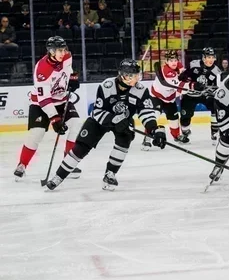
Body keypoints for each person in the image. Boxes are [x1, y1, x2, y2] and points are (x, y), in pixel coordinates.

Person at [46, 59, 167, 191]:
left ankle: (110, 174)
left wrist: (154, 129)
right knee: (80, 148)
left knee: (125, 139)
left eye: (137, 75)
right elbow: (97, 111)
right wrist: (114, 120)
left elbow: (146, 111)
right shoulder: (107, 86)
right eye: (131, 75)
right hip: (100, 121)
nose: (135, 79)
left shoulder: (141, 90)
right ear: (122, 75)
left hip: (124, 121)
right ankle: (58, 176)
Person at [14, 36, 81, 181]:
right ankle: (22, 165)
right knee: (36, 133)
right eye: (59, 50)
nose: (63, 53)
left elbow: (68, 70)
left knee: (76, 125)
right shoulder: (42, 69)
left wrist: (73, 78)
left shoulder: (67, 56)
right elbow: (44, 99)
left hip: (62, 101)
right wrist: (55, 119)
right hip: (40, 104)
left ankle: (68, 163)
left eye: (64, 49)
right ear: (51, 51)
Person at [141, 50, 190, 150]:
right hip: (156, 97)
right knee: (153, 117)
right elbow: (181, 87)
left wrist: (184, 74)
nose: (174, 62)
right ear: (166, 61)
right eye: (171, 60)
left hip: (169, 99)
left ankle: (176, 136)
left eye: (175, 60)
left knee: (174, 119)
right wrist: (191, 85)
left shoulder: (177, 65)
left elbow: (181, 69)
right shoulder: (167, 72)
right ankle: (147, 138)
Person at [178, 47, 221, 145]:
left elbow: (218, 87)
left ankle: (214, 132)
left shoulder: (217, 71)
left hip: (204, 94)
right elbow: (183, 77)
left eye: (212, 57)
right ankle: (185, 132)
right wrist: (185, 78)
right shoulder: (194, 64)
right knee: (185, 116)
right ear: (203, 57)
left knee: (216, 107)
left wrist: (211, 90)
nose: (210, 60)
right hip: (190, 94)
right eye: (208, 57)